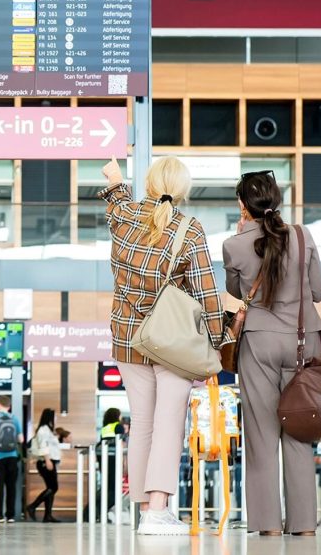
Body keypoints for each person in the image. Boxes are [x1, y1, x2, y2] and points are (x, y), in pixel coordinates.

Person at [98, 156, 226, 536]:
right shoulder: (189, 230)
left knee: (142, 425)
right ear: (183, 189)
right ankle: (158, 510)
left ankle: (144, 509)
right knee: (169, 423)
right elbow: (207, 294)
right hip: (172, 342)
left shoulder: (125, 218)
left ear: (151, 183)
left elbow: (116, 202)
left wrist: (116, 179)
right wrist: (217, 343)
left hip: (126, 338)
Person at [223, 170, 321, 537]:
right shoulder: (303, 235)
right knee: (299, 430)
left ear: (242, 204)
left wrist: (241, 239)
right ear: (276, 199)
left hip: (260, 341)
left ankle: (267, 525)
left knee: (261, 436)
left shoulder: (234, 244)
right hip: (303, 341)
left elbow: (238, 292)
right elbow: (317, 292)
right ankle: (304, 525)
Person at [0, 396, 24, 523]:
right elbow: (21, 439)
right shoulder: (14, 418)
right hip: (12, 456)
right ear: (9, 406)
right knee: (11, 487)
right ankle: (10, 515)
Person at [25, 408, 62, 522]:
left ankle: (48, 515)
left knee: (50, 488)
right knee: (53, 487)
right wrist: (47, 460)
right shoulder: (43, 430)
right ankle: (32, 506)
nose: (56, 418)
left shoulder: (48, 430)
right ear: (50, 417)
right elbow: (43, 445)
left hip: (48, 461)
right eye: (54, 416)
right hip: (46, 462)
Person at [100, 408, 126, 523]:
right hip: (115, 460)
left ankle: (98, 512)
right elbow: (120, 445)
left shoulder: (105, 428)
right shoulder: (118, 426)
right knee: (114, 490)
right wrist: (124, 462)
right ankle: (101, 511)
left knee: (107, 488)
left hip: (105, 460)